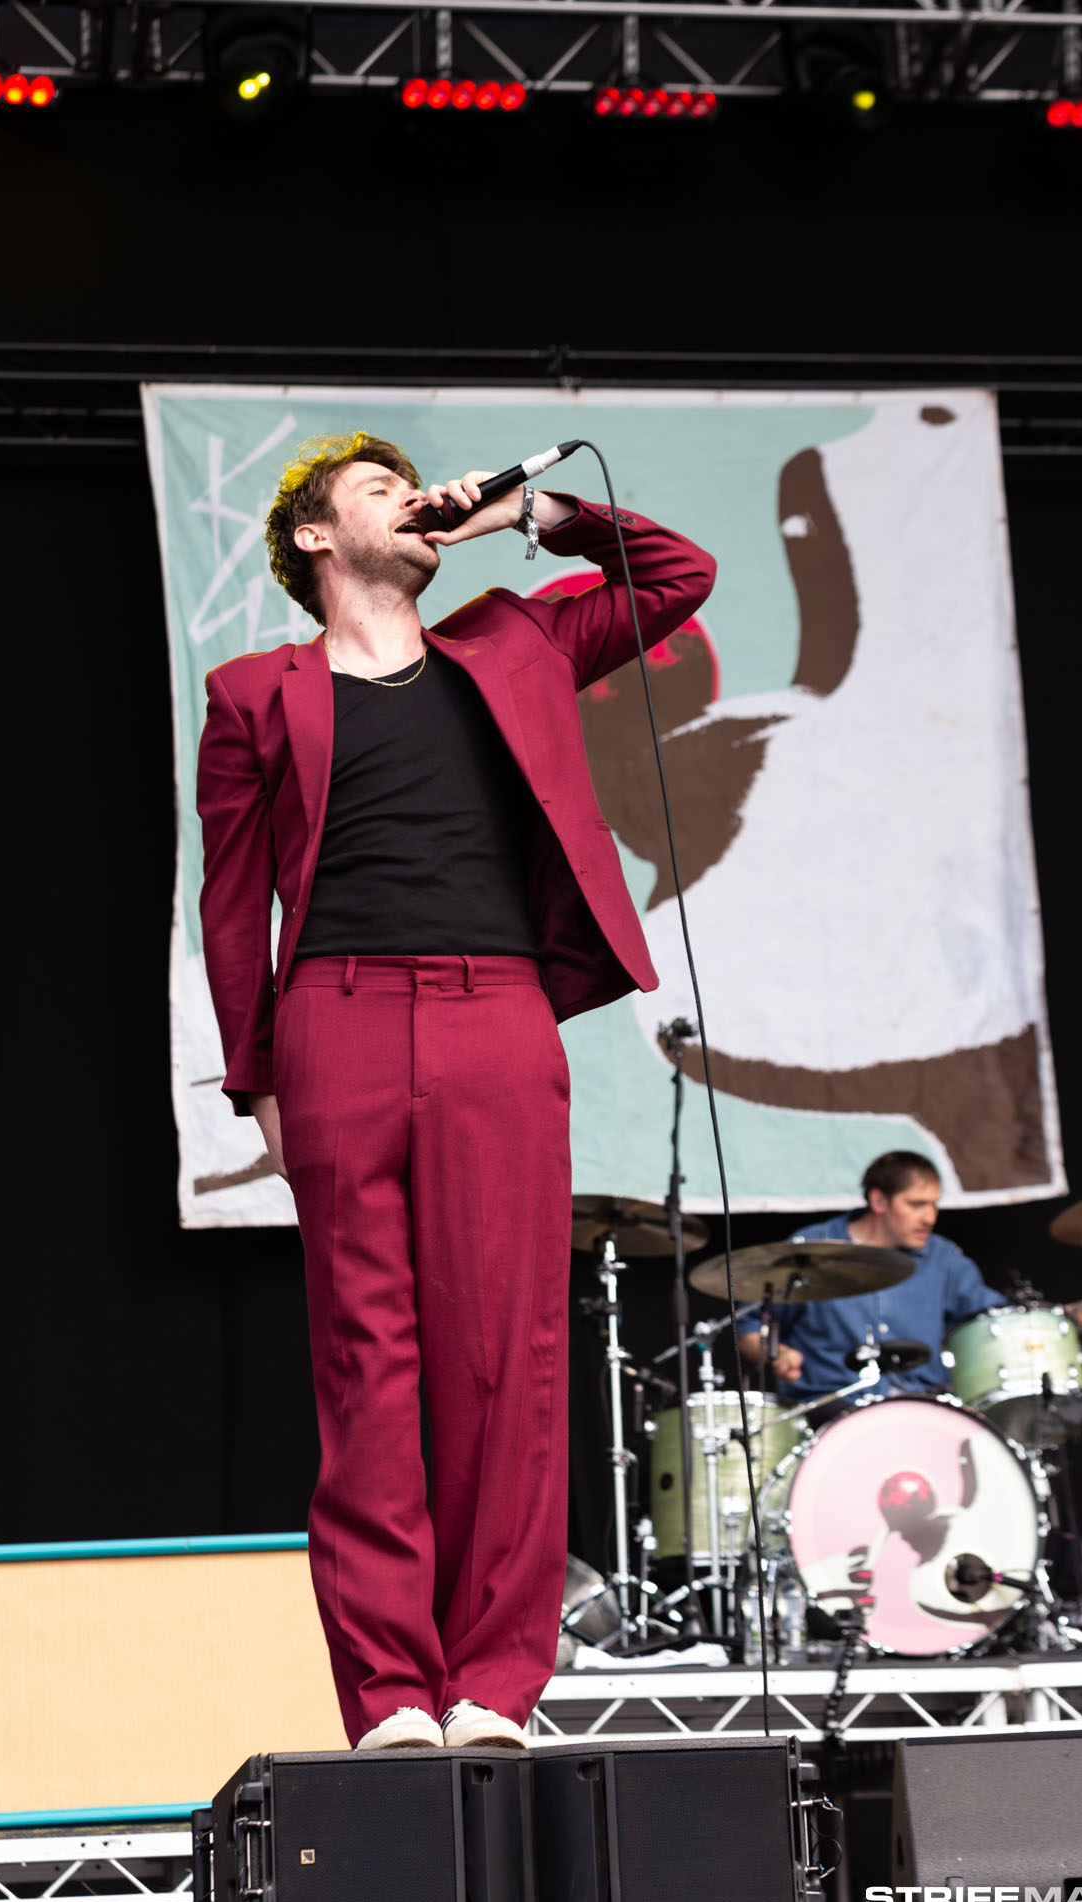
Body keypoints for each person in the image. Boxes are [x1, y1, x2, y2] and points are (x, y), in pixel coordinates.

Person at [195, 431, 715, 1753]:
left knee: (505, 1357)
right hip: (338, 1017)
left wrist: (530, 515)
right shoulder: (252, 692)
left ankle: (490, 1684)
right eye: (378, 489)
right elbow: (232, 903)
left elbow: (678, 573)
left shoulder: (514, 641)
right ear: (314, 537)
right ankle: (389, 1695)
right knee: (366, 1363)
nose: (412, 498)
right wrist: (256, 1072)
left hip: (495, 1013)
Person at [736, 1150, 1082, 1401]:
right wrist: (776, 1353)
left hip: (925, 1408)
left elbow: (995, 1322)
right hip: (831, 1411)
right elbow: (751, 1328)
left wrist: (1067, 1316)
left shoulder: (943, 1258)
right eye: (916, 1204)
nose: (930, 1217)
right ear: (879, 1200)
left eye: (934, 1204)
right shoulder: (811, 1249)